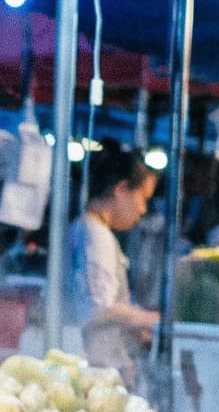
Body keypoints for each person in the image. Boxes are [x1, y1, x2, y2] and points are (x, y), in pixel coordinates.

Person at [68, 144, 159, 374]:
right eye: (143, 198)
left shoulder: (86, 226)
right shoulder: (96, 234)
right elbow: (98, 310)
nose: (143, 209)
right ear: (121, 189)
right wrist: (148, 319)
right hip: (90, 365)